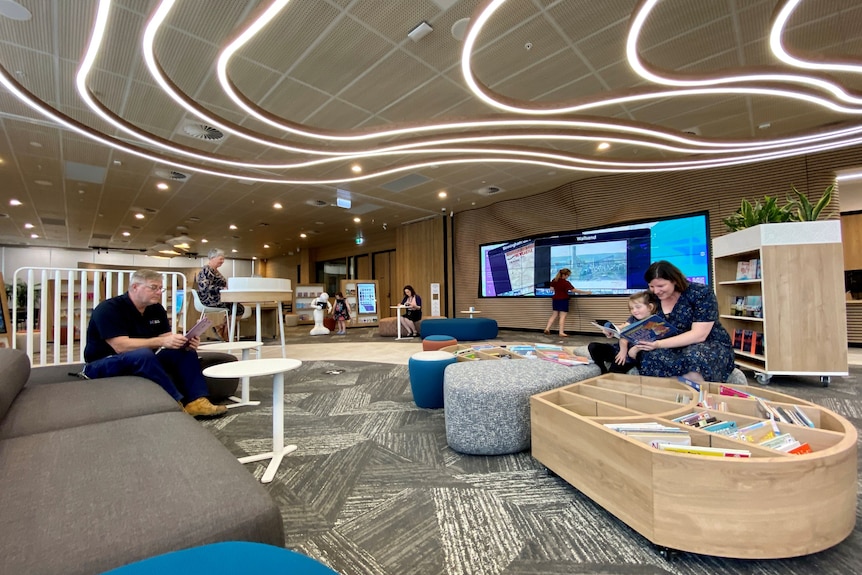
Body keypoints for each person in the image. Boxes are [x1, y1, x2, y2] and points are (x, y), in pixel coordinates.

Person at [83, 269, 227, 418]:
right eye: (153, 288)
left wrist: (185, 342)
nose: (159, 292)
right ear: (135, 287)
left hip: (142, 358)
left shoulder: (156, 309)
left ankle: (196, 401)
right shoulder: (109, 309)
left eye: (160, 288)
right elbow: (121, 346)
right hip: (103, 362)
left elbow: (166, 337)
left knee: (183, 351)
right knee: (143, 354)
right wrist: (162, 341)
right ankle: (175, 402)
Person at [630, 260, 735, 384]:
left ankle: (691, 390)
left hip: (705, 342)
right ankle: (669, 389)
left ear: (674, 280)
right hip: (668, 343)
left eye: (661, 286)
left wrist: (658, 344)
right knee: (649, 356)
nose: (656, 291)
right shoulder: (651, 297)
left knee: (695, 358)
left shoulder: (700, 293)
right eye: (651, 286)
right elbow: (636, 319)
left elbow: (699, 335)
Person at [588, 291, 658, 374]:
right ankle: (602, 370)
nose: (634, 311)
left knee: (614, 370)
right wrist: (610, 329)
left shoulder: (655, 322)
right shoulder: (633, 318)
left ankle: (608, 375)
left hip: (632, 354)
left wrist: (625, 351)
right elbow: (623, 327)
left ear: (650, 307)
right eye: (631, 308)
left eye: (638, 307)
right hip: (619, 349)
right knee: (593, 346)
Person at [196, 248, 244, 340]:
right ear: (212, 258)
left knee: (237, 308)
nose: (222, 261)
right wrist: (222, 289)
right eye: (220, 259)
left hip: (216, 298)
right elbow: (204, 287)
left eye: (223, 259)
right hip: (209, 300)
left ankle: (222, 330)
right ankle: (224, 332)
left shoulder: (214, 270)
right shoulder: (206, 270)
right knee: (238, 308)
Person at [544, 268, 591, 337]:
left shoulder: (554, 280)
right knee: (562, 317)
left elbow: (551, 289)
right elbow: (573, 290)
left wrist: (558, 291)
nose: (568, 277)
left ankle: (547, 328)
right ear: (564, 275)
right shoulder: (565, 282)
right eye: (568, 275)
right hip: (563, 300)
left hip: (555, 299)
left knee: (554, 315)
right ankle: (561, 332)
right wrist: (586, 292)